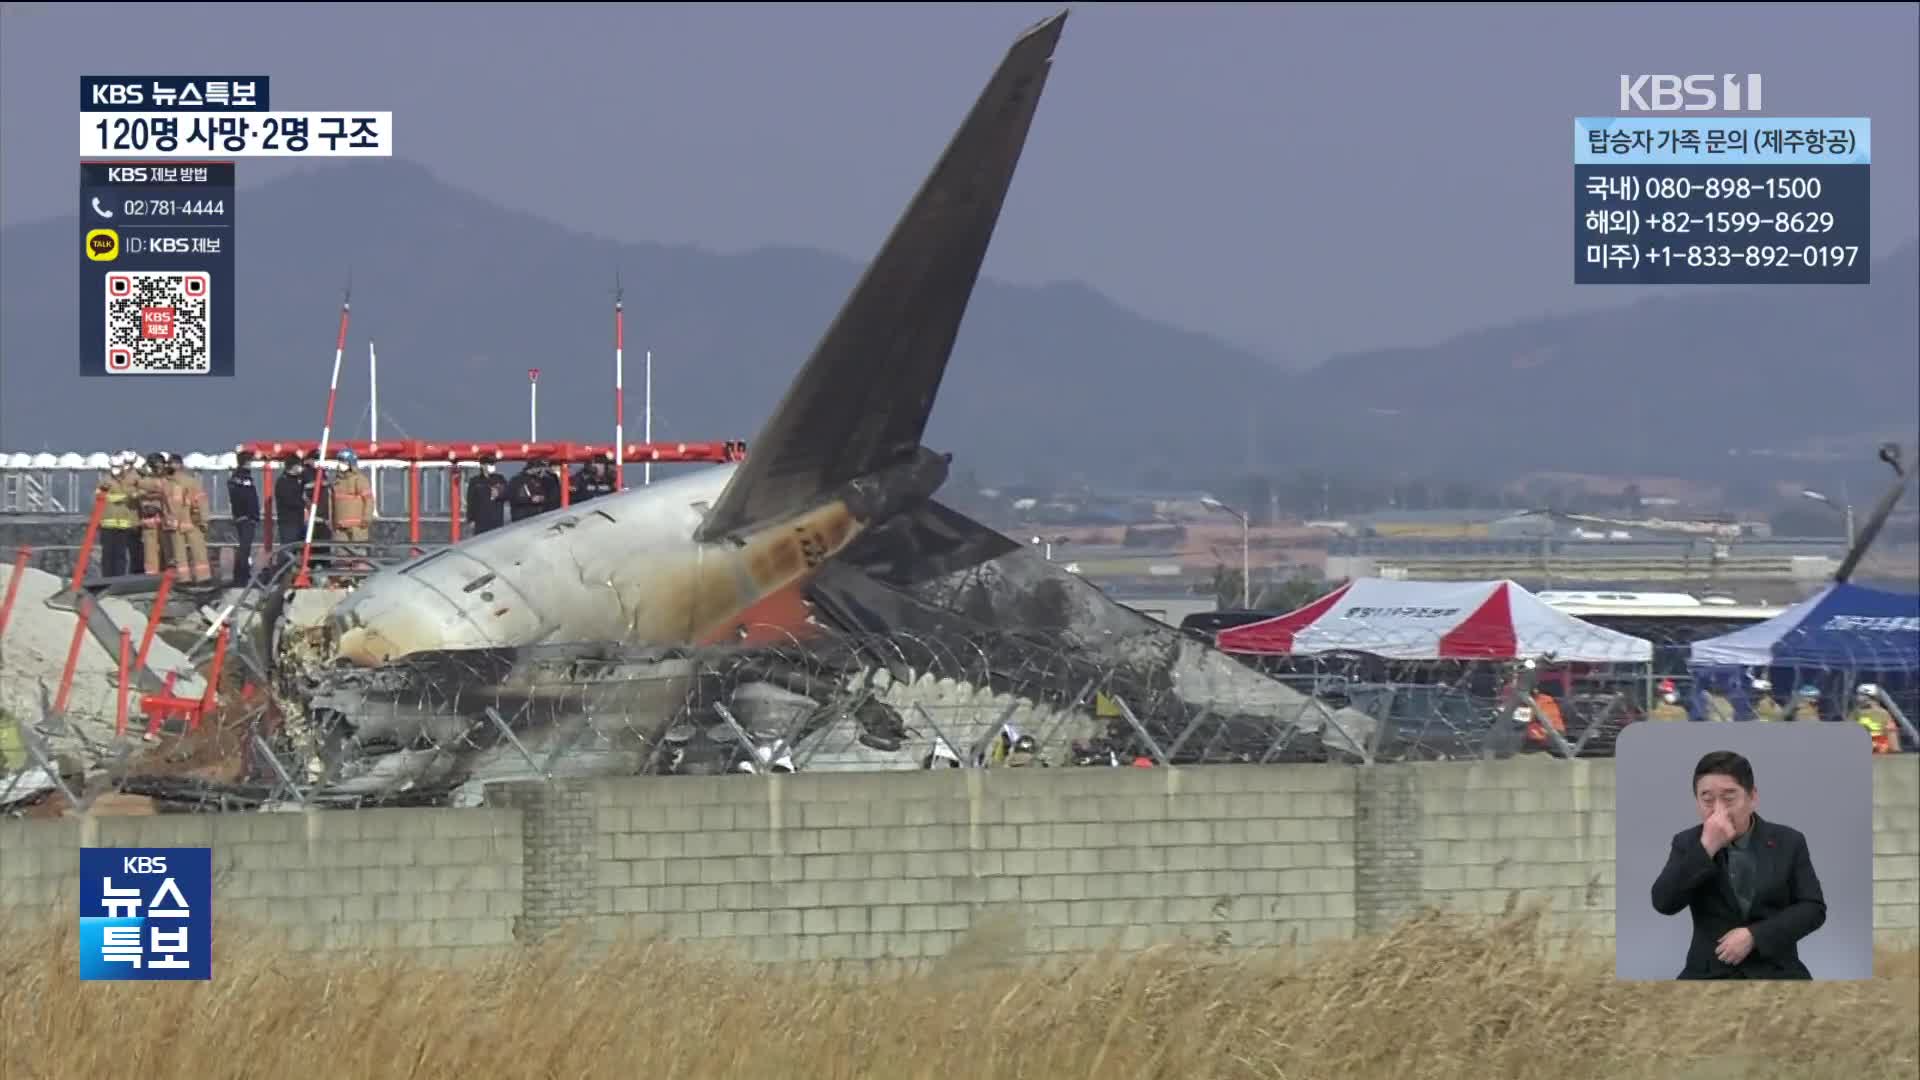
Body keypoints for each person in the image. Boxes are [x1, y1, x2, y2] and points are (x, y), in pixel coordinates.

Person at [1650, 750, 1825, 980]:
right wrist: (1706, 848)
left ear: (1753, 798)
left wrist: (1755, 936)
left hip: (1776, 970)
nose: (1718, 810)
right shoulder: (1687, 843)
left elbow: (1813, 908)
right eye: (1707, 800)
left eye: (1729, 798)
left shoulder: (1789, 841)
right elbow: (1664, 902)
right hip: (1709, 972)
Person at [167, 452, 213, 583]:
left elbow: (200, 500)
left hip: (190, 521)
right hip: (180, 523)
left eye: (173, 463)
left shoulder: (189, 482)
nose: (171, 466)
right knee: (182, 554)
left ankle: (196, 577)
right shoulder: (167, 482)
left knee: (193, 552)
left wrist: (203, 519)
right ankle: (192, 578)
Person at [328, 448, 376, 570]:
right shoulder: (336, 482)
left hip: (357, 526)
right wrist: (331, 520)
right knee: (342, 557)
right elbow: (332, 503)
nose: (340, 464)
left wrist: (367, 518)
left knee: (359, 557)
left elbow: (369, 500)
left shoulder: (359, 480)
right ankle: (343, 580)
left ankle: (360, 580)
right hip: (340, 527)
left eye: (343, 462)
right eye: (339, 461)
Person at [95, 452, 140, 578]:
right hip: (107, 523)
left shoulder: (131, 480)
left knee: (120, 554)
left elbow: (136, 495)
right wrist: (121, 497)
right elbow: (99, 496)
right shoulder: (105, 480)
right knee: (107, 554)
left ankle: (119, 578)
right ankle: (107, 578)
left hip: (124, 523)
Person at [226, 450, 261, 586]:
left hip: (245, 516)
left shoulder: (242, 476)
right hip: (245, 517)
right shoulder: (241, 477)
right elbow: (244, 498)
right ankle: (242, 576)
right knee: (244, 548)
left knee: (245, 547)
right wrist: (248, 515)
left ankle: (242, 575)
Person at [136, 452, 173, 575]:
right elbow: (142, 494)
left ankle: (168, 573)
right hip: (150, 519)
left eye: (160, 464)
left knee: (168, 549)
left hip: (166, 519)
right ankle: (151, 575)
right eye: (155, 464)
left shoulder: (169, 479)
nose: (158, 467)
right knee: (150, 551)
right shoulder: (144, 480)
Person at [465, 454, 509, 534]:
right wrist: (471, 519)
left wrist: (499, 494)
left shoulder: (500, 479)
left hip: (496, 520)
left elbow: (508, 494)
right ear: (482, 465)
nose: (491, 466)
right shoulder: (475, 481)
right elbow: (471, 501)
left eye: (492, 464)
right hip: (480, 521)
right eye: (489, 464)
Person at [1852, 684, 1898, 754]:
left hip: (1880, 750)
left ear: (1870, 698)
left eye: (1861, 695)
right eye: (1858, 695)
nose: (1858, 698)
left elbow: (1891, 734)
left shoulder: (1883, 714)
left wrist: (1894, 749)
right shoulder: (1856, 713)